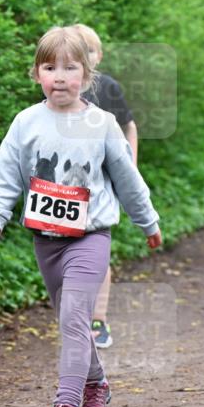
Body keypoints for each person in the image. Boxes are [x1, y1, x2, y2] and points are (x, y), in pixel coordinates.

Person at [0, 26, 162, 407]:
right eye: (49, 67)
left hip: (90, 238)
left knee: (76, 317)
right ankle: (96, 382)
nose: (59, 76)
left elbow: (127, 179)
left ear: (87, 75)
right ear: (36, 74)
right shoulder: (26, 123)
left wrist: (147, 221)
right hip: (46, 240)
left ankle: (67, 404)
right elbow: (5, 178)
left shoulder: (102, 123)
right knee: (70, 319)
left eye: (69, 67)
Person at [72, 23, 140, 349]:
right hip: (66, 187)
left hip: (103, 184)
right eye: (77, 52)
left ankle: (98, 318)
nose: (86, 57)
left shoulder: (108, 87)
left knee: (99, 249)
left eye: (91, 50)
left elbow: (130, 127)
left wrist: (131, 168)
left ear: (99, 55)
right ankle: (75, 316)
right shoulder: (60, 89)